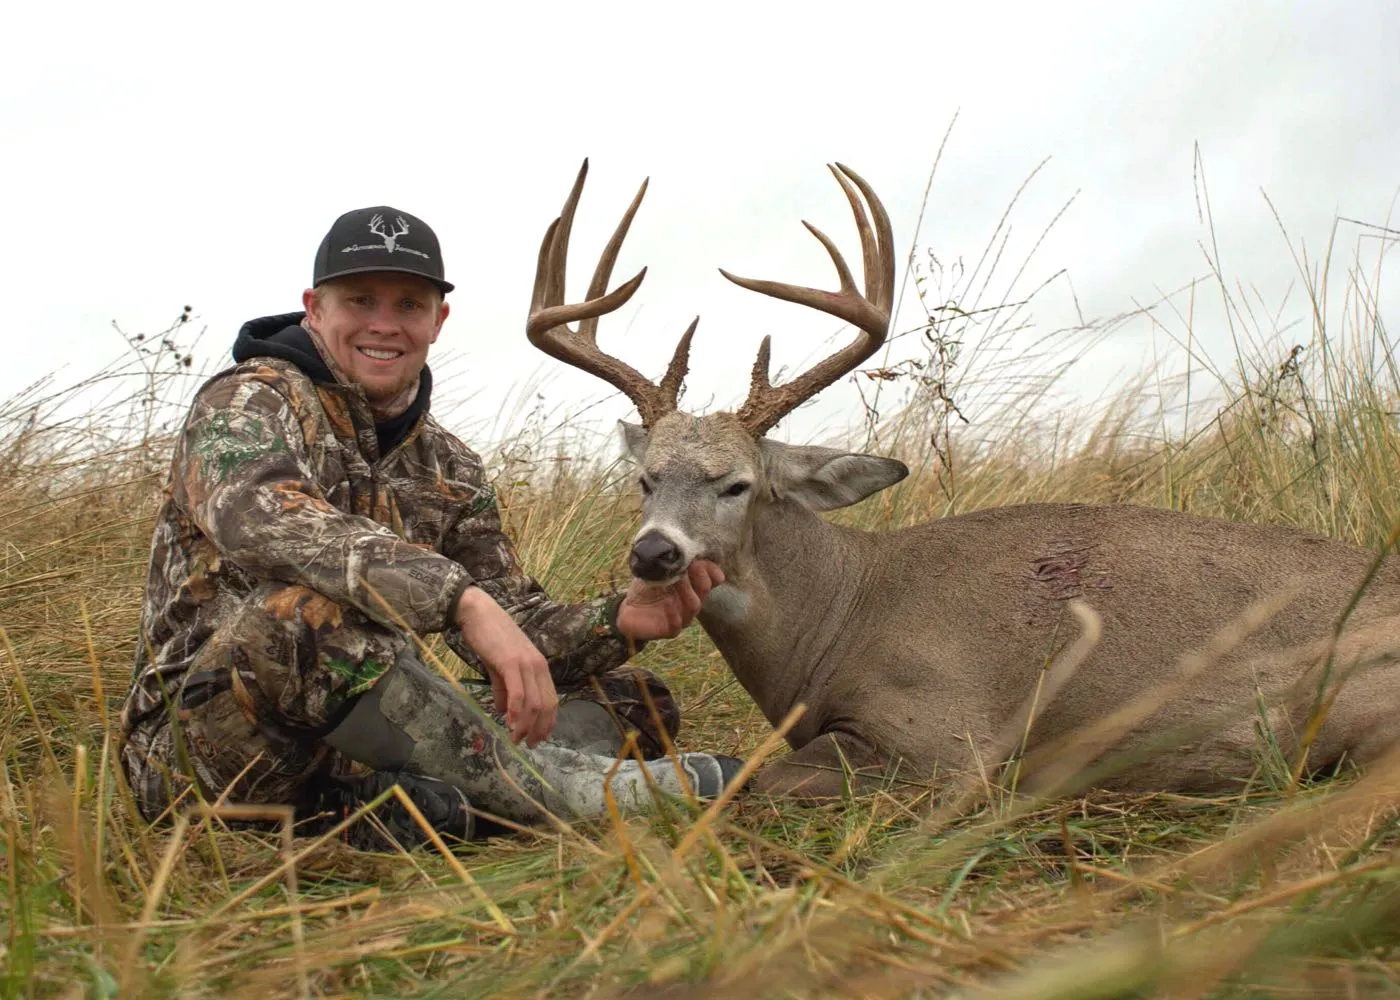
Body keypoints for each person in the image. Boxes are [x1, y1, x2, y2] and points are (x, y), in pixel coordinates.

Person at [118, 205, 744, 849]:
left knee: (628, 698)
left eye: (409, 305)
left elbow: (512, 627)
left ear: (437, 320)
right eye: (360, 300)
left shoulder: (447, 466)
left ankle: (427, 807)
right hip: (203, 758)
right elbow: (259, 517)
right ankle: (562, 791)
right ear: (314, 308)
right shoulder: (250, 400)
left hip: (361, 738)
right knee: (302, 617)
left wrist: (616, 621)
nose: (384, 326)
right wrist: (457, 597)